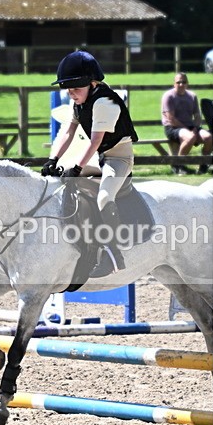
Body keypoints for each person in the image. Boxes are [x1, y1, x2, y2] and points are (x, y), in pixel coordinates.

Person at [41, 51, 138, 278]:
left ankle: (114, 253)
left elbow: (95, 141)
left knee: (104, 197)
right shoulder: (81, 103)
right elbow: (67, 132)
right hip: (100, 157)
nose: (71, 94)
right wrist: (52, 160)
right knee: (59, 179)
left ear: (92, 83)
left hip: (119, 158)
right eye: (68, 89)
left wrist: (77, 167)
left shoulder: (105, 102)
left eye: (76, 88)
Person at [161, 72, 212, 175]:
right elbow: (171, 118)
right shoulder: (168, 96)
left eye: (184, 82)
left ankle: (204, 164)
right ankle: (179, 165)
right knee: (190, 137)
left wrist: (195, 127)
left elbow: (197, 115)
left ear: (187, 83)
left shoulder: (192, 96)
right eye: (178, 82)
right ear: (174, 84)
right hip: (173, 127)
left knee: (208, 137)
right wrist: (189, 130)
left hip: (190, 127)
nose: (181, 84)